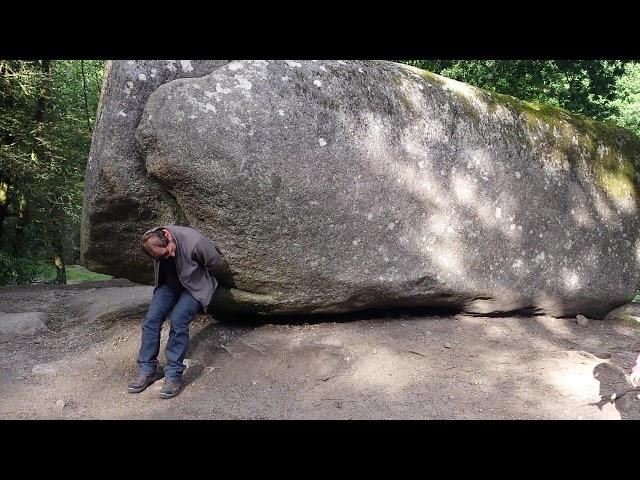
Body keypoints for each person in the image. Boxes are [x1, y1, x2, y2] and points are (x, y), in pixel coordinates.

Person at [127, 225, 225, 399]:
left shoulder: (195, 242)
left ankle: (173, 375)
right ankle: (147, 370)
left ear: (167, 236)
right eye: (163, 256)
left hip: (194, 287)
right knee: (151, 320)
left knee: (179, 319)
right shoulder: (151, 241)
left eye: (169, 250)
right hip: (170, 284)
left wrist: (203, 282)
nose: (170, 255)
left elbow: (217, 263)